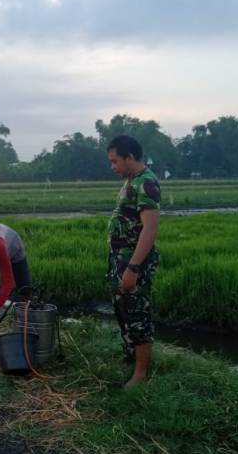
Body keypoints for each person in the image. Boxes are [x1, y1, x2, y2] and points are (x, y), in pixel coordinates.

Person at [106, 135, 161, 388]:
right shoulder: (131, 181)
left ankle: (140, 374)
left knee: (137, 313)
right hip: (120, 259)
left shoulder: (146, 182)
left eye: (116, 161)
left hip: (132, 261)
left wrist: (134, 267)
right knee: (123, 309)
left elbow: (149, 229)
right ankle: (130, 358)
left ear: (130, 157)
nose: (113, 166)